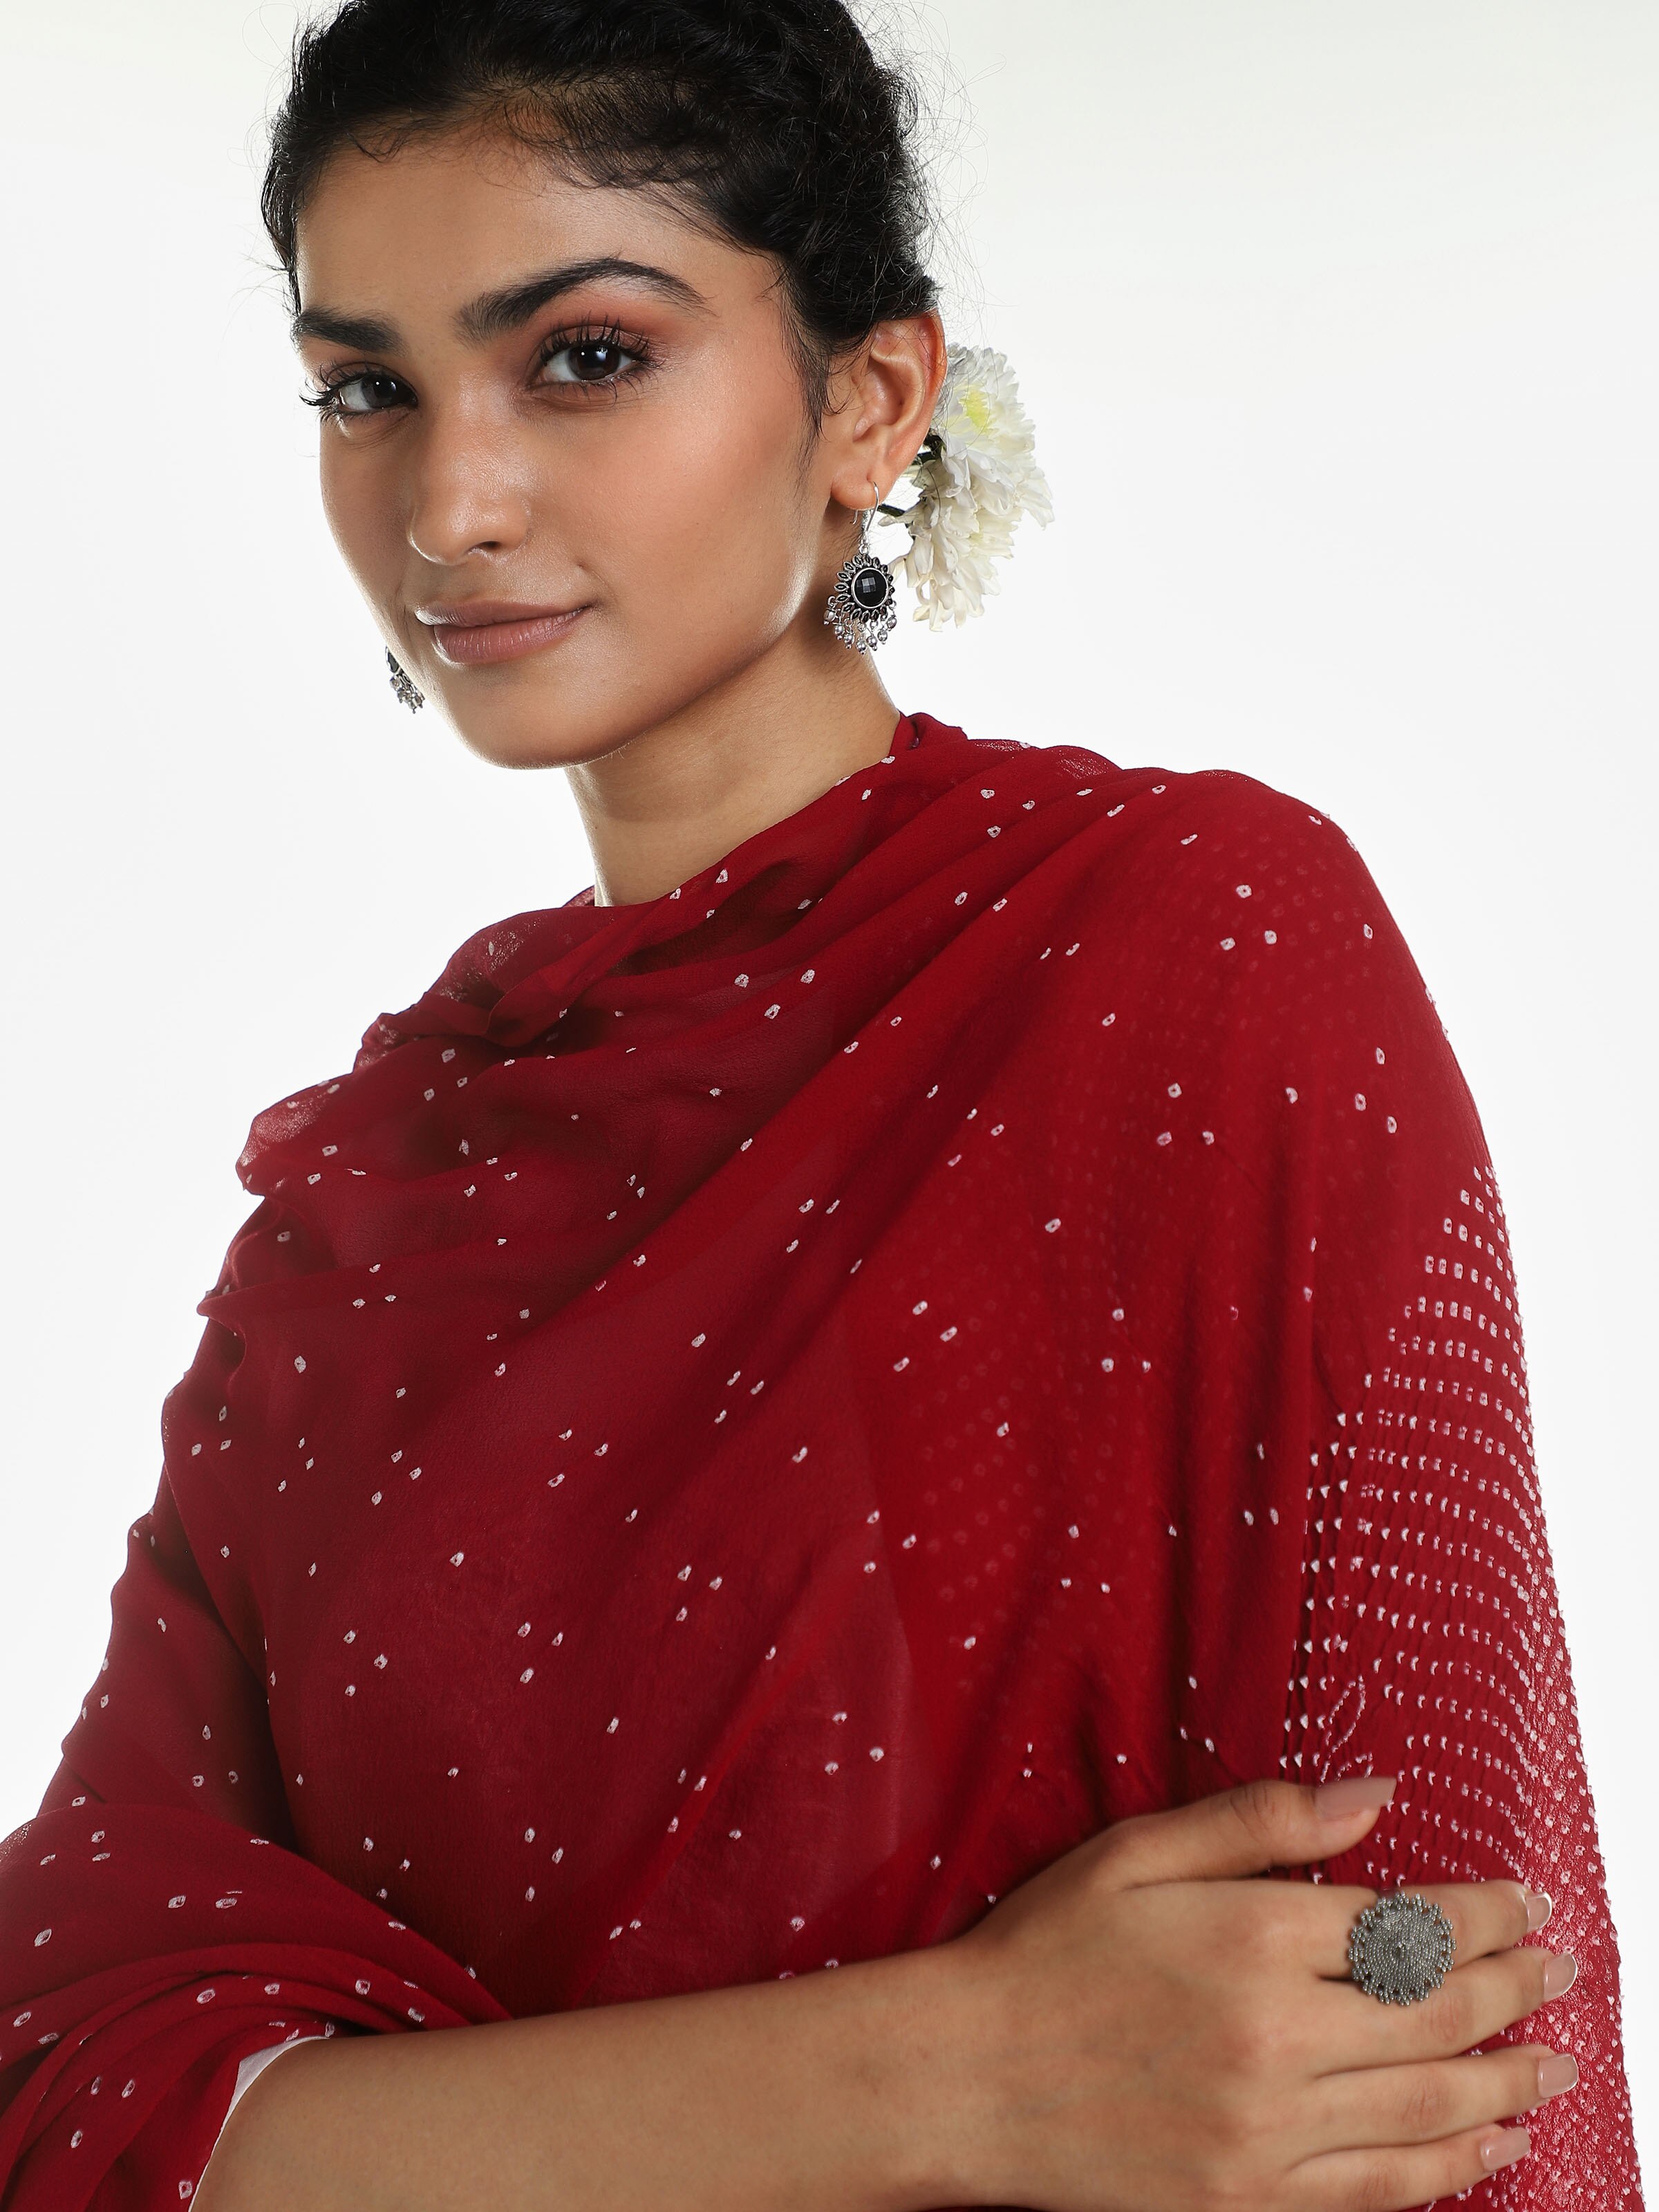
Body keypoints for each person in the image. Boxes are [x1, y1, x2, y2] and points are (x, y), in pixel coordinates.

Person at [0, 2, 1641, 2207]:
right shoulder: (363, 1219)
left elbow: (1418, 2004)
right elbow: (78, 2085)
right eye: (368, 389)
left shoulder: (1195, 949)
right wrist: (967, 2076)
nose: (452, 501)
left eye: (583, 355)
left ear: (869, 397)